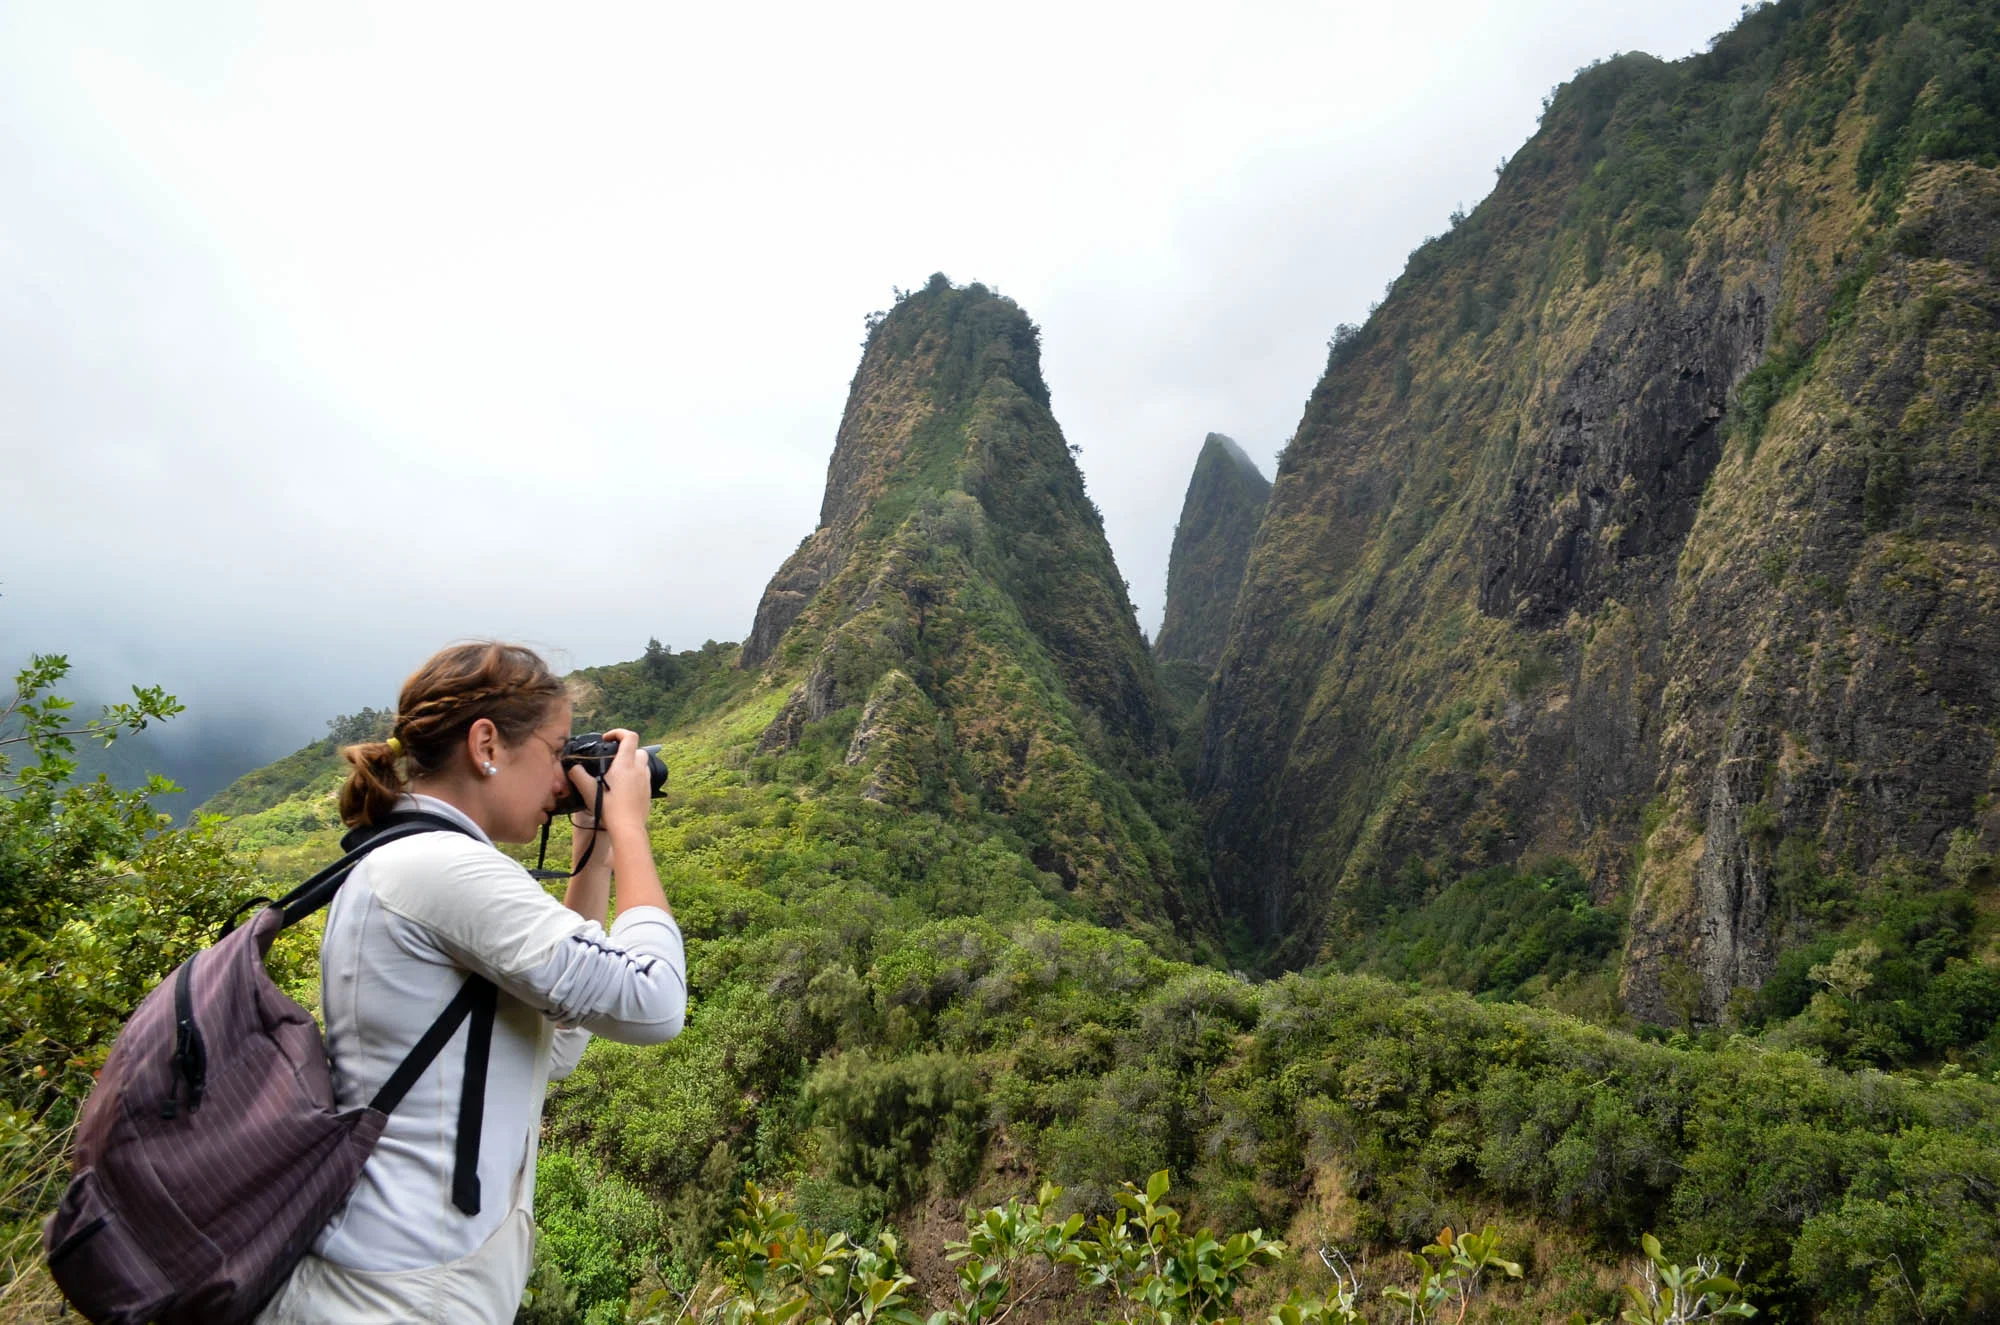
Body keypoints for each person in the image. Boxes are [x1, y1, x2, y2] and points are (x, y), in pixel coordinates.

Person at [257, 642, 686, 1323]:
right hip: (395, 1293)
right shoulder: (442, 868)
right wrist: (632, 827)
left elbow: (554, 1046)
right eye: (555, 751)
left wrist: (595, 847)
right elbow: (655, 1002)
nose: (562, 778)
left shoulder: (414, 859)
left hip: (398, 1281)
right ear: (486, 745)